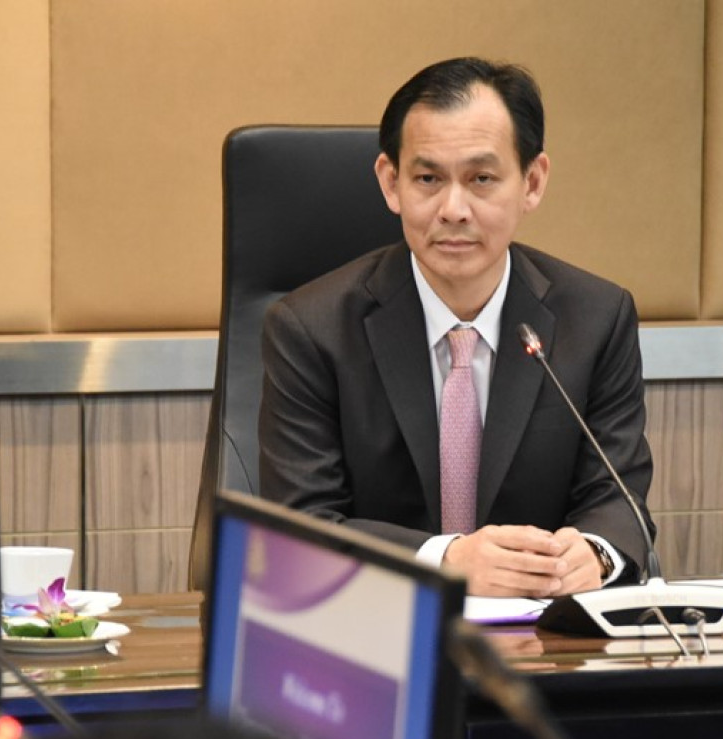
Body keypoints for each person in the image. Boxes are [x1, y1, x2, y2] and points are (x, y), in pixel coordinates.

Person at [258, 57, 653, 598]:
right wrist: (444, 560)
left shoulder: (596, 318)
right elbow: (300, 528)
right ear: (391, 183)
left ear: (532, 182)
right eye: (428, 179)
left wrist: (595, 554)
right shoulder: (311, 329)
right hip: (376, 621)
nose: (453, 209)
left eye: (481, 179)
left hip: (543, 634)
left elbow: (619, 500)